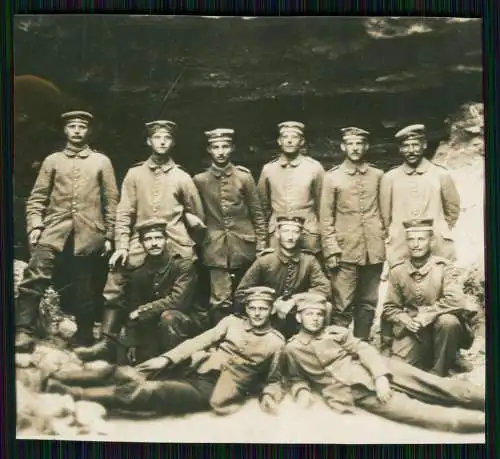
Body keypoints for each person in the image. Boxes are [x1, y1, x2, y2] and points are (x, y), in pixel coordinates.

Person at [74, 120, 205, 361]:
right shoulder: (135, 174)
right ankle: (108, 340)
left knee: (182, 284)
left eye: (167, 138)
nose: (162, 142)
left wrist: (189, 242)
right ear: (149, 141)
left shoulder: (183, 177)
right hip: (139, 241)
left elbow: (197, 217)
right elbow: (124, 211)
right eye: (157, 138)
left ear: (172, 142)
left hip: (174, 241)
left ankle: (177, 342)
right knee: (117, 276)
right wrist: (122, 246)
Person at [261, 292, 484, 433]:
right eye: (309, 314)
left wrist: (380, 376)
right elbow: (295, 378)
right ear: (299, 317)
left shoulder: (336, 332)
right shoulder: (292, 348)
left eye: (319, 314)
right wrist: (302, 392)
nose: (315, 318)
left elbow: (363, 348)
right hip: (355, 392)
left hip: (384, 369)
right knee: (421, 414)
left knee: (443, 388)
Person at [45, 287, 285, 417]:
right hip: (194, 367)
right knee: (123, 373)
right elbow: (198, 341)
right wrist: (166, 358)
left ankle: (73, 393)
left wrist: (269, 397)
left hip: (211, 388)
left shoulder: (275, 343)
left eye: (262, 309)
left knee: (148, 392)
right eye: (252, 308)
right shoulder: (232, 322)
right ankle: (58, 378)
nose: (256, 313)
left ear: (271, 311)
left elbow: (275, 379)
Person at [15, 110, 119, 352]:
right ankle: (23, 330)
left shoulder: (101, 162)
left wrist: (110, 235)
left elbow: (111, 201)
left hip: (88, 232)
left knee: (85, 284)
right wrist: (35, 226)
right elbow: (37, 198)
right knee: (35, 276)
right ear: (65, 130)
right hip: (54, 229)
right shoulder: (52, 161)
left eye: (82, 127)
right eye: (72, 126)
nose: (77, 131)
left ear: (89, 131)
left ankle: (84, 334)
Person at [76, 218, 208, 363]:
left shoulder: (183, 266)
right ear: (141, 243)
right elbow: (134, 307)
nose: (154, 243)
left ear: (166, 240)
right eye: (148, 239)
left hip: (185, 324)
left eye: (158, 238)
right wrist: (131, 341)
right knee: (130, 355)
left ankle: (178, 364)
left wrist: (142, 311)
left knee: (169, 318)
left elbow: (178, 301)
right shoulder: (140, 273)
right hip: (155, 327)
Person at [380, 218, 475, 377]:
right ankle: (433, 360)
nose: (415, 244)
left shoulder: (444, 267)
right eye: (411, 239)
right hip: (414, 332)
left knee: (448, 322)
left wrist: (427, 316)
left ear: (431, 241)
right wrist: (406, 320)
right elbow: (390, 308)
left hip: (442, 331)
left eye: (421, 239)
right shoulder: (398, 271)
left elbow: (456, 300)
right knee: (398, 372)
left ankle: (440, 371)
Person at [193, 128, 267, 325]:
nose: (220, 151)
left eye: (225, 146)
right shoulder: (200, 180)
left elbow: (257, 213)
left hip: (244, 245)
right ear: (209, 150)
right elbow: (195, 212)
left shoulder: (244, 177)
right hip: (215, 247)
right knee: (220, 299)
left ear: (232, 148)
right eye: (216, 147)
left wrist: (261, 244)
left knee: (247, 295)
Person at [320, 127, 386, 340]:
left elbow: (384, 212)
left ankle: (362, 345)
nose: (355, 148)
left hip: (373, 250)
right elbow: (326, 216)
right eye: (351, 143)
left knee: (368, 302)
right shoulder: (332, 178)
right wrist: (331, 249)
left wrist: (385, 244)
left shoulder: (377, 176)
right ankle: (338, 346)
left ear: (366, 147)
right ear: (343, 147)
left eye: (359, 143)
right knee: (342, 303)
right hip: (344, 251)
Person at [235, 215, 331, 338]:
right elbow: (241, 293)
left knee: (326, 306)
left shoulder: (309, 260)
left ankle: (317, 343)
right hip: (269, 313)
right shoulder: (265, 260)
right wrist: (269, 302)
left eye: (295, 232)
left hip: (297, 313)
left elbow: (324, 289)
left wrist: (295, 300)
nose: (290, 237)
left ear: (301, 235)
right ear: (277, 234)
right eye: (286, 231)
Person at [379, 124, 461, 267]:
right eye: (406, 146)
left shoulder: (441, 174)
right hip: (401, 246)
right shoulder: (390, 178)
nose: (411, 151)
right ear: (400, 149)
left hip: (436, 244)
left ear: (424, 145)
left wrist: (440, 230)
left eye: (415, 145)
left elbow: (452, 210)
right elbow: (385, 217)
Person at [257, 121, 324, 256]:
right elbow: (262, 208)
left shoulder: (314, 168)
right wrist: (262, 241)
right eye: (285, 137)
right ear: (279, 141)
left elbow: (323, 205)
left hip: (308, 233)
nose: (289, 141)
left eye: (294, 137)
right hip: (277, 233)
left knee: (308, 271)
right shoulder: (269, 169)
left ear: (302, 141)